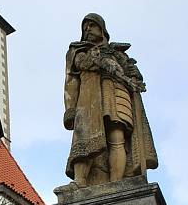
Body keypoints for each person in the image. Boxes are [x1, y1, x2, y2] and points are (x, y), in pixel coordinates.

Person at [63, 13, 158, 186]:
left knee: (117, 136)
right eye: (85, 27)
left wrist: (133, 74)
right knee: (85, 138)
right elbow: (81, 63)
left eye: (91, 25)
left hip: (118, 92)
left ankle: (116, 183)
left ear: (102, 28)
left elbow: (133, 74)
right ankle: (80, 181)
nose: (87, 29)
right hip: (90, 97)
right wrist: (102, 61)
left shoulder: (118, 53)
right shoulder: (80, 49)